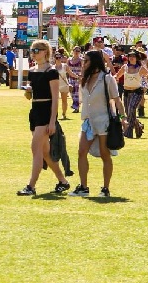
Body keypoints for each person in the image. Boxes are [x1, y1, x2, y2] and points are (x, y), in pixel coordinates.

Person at [70, 49, 122, 197]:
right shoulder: (84, 79)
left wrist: (123, 118)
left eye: (86, 60)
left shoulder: (106, 78)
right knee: (81, 152)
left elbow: (117, 100)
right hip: (88, 121)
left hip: (103, 121)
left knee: (105, 155)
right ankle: (83, 187)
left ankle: (105, 188)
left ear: (94, 62)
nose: (83, 63)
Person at [19, 41, 68, 196]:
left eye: (37, 50)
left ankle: (31, 186)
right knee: (45, 152)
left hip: (46, 112)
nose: (33, 53)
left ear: (46, 52)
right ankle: (63, 181)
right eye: (32, 50)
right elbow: (29, 96)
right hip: (35, 111)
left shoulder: (51, 71)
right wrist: (28, 91)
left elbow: (55, 98)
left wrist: (53, 120)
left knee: (35, 149)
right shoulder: (32, 70)